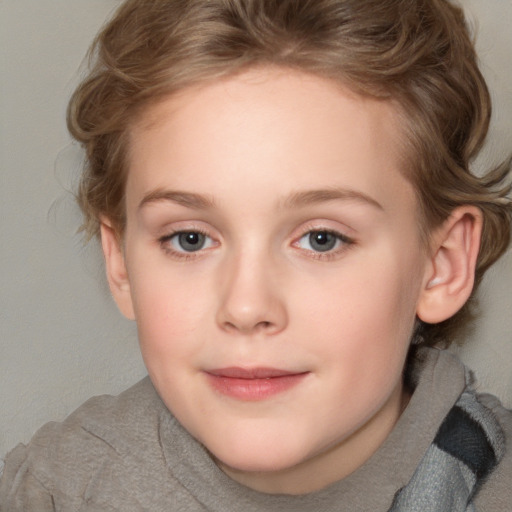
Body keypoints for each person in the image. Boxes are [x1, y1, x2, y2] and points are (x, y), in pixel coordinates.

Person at [1, 0, 511, 510]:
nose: (246, 308)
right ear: (121, 263)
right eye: (190, 239)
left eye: (321, 239)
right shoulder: (53, 491)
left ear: (442, 264)